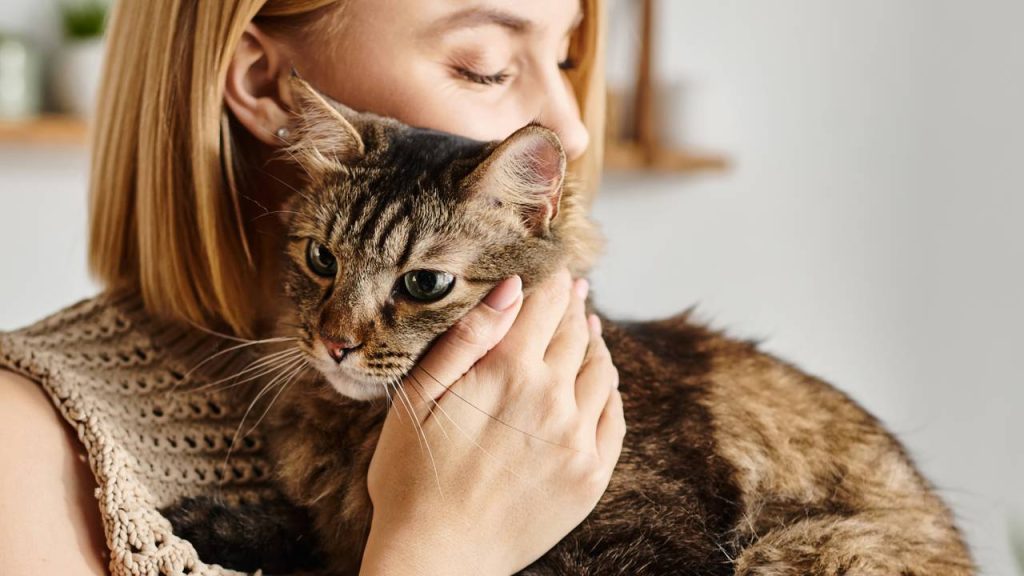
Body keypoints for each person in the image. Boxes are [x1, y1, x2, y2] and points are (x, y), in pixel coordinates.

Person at [0, 1, 624, 575]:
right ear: (266, 84)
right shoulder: (23, 443)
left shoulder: (580, 416)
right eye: (483, 69)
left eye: (566, 60)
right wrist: (437, 548)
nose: (573, 131)